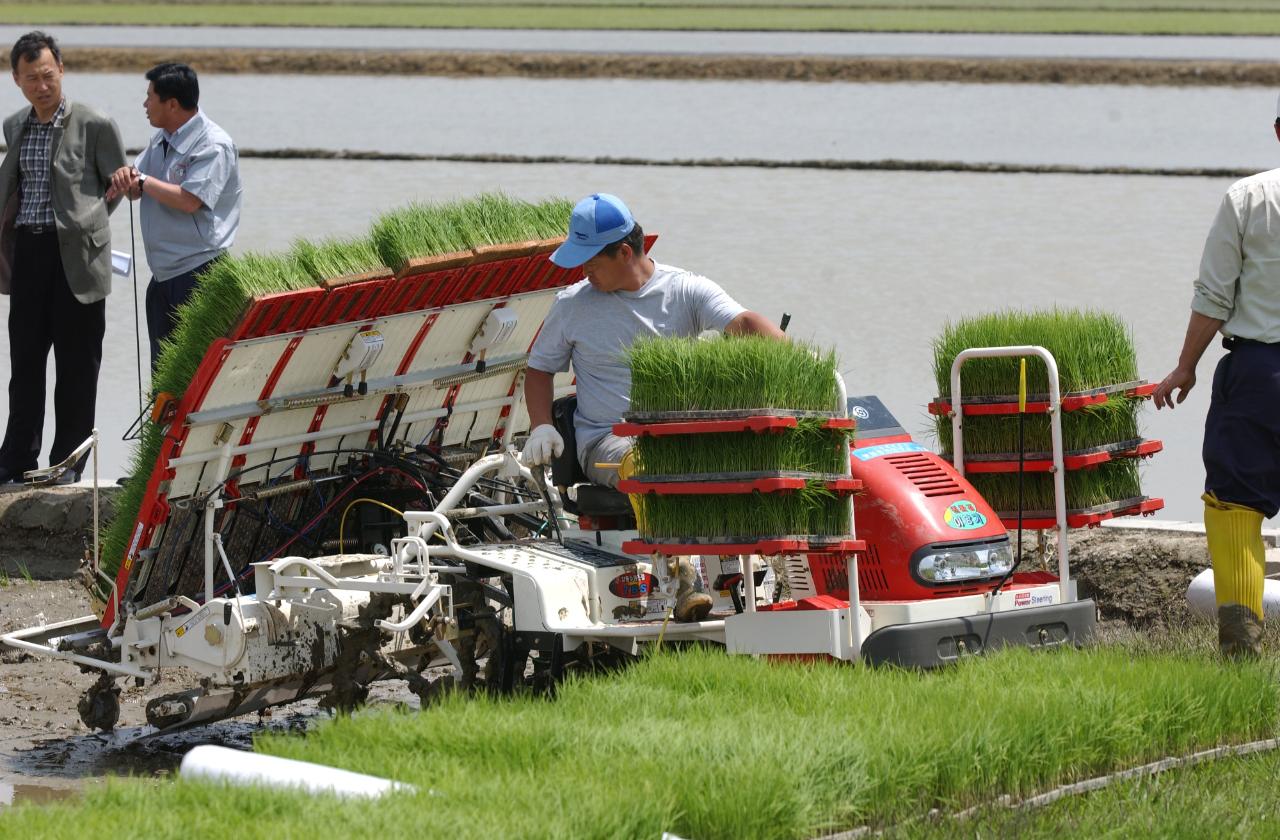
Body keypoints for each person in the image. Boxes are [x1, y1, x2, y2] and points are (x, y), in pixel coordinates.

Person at [521, 192, 784, 621]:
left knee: (743, 457)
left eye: (591, 261)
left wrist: (794, 360)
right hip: (606, 444)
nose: (584, 271)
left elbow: (742, 324)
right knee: (644, 463)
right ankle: (681, 579)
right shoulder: (572, 305)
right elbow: (538, 370)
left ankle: (751, 575)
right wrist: (540, 425)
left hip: (680, 438)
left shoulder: (684, 290)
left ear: (625, 252)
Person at [1152, 96, 1280, 659]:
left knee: (1235, 505)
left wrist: (1186, 366)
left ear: (1278, 132)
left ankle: (1242, 650)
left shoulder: (1249, 198)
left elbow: (1213, 294)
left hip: (1259, 373)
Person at [0, 31, 125, 485]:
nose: (41, 85)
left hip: (79, 259)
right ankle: (15, 460)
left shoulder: (95, 123)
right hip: (31, 251)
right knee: (26, 364)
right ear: (16, 79)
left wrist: (86, 224)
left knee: (77, 368)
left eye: (48, 74)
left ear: (62, 71)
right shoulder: (15, 125)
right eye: (31, 77)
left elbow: (115, 185)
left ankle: (66, 466)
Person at [107, 62, 241, 372]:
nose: (144, 104)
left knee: (196, 374)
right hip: (164, 275)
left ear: (171, 104)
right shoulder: (163, 138)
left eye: (149, 97)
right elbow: (137, 186)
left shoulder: (213, 145)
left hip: (198, 273)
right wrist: (126, 178)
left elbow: (190, 200)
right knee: (165, 377)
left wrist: (141, 181)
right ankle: (164, 424)